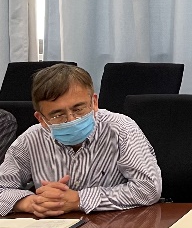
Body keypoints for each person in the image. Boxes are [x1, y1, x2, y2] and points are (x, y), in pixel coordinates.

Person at [0, 64, 161, 217]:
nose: (71, 120)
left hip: (113, 225)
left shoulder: (121, 129)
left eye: (78, 109)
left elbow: (149, 188)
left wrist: (79, 199)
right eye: (58, 115)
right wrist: (29, 202)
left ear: (94, 102)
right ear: (41, 119)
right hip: (52, 227)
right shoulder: (30, 139)